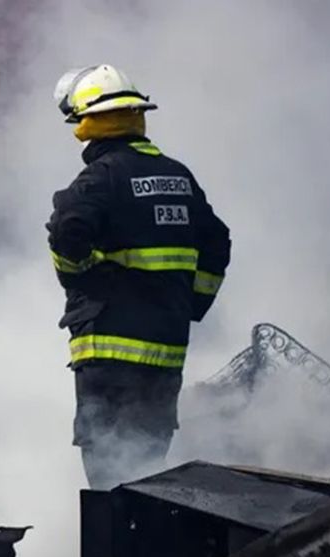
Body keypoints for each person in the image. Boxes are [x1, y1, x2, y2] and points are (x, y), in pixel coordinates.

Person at [47, 65, 231, 490]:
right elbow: (217, 242)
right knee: (149, 472)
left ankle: (117, 556)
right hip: (165, 355)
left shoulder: (100, 178)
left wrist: (81, 280)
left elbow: (66, 233)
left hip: (109, 360)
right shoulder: (179, 177)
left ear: (88, 123)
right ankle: (151, 552)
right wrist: (192, 303)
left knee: (108, 481)